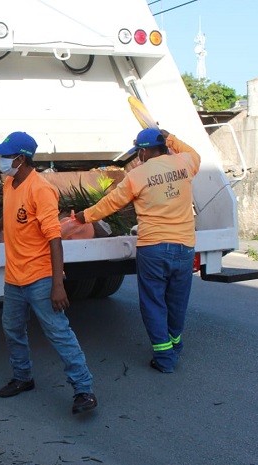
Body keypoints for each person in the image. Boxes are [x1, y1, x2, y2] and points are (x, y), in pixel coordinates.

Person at [0, 131, 97, 415]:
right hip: (14, 278)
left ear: (20, 159)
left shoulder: (41, 189)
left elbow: (54, 238)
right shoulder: (12, 184)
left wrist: (57, 283)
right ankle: (23, 378)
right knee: (12, 328)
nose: (2, 160)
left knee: (58, 333)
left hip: (40, 278)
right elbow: (16, 215)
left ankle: (84, 391)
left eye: (6, 155)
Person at [75, 128, 200, 373]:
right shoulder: (186, 162)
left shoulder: (138, 175)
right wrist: (171, 137)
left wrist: (85, 216)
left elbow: (112, 202)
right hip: (185, 246)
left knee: (153, 302)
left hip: (154, 248)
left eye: (139, 152)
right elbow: (193, 152)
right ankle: (175, 344)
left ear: (143, 151)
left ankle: (164, 358)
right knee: (177, 300)